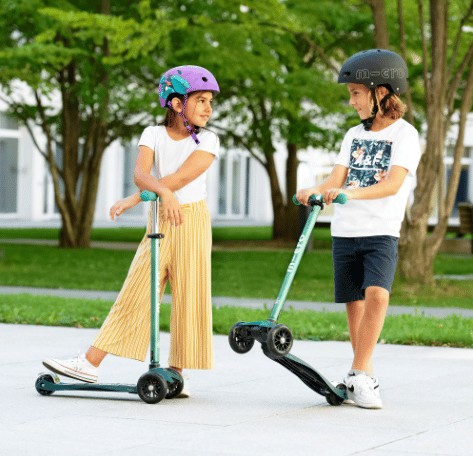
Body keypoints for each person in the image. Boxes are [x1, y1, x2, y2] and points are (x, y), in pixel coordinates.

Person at [43, 65, 221, 398]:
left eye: (210, 100)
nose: (209, 108)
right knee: (138, 287)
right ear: (177, 104)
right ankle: (91, 362)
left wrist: (146, 195)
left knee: (189, 292)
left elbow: (182, 178)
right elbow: (141, 174)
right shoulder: (152, 134)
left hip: (192, 219)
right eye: (200, 100)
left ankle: (175, 372)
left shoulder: (209, 140)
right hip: (158, 216)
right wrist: (152, 194)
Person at [296, 49, 421, 409]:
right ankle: (359, 376)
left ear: (380, 92)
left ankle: (360, 373)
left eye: (355, 93)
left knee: (377, 295)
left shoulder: (404, 135)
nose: (351, 102)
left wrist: (347, 193)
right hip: (345, 231)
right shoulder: (352, 135)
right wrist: (313, 191)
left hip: (381, 230)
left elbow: (392, 185)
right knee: (353, 302)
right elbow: (335, 179)